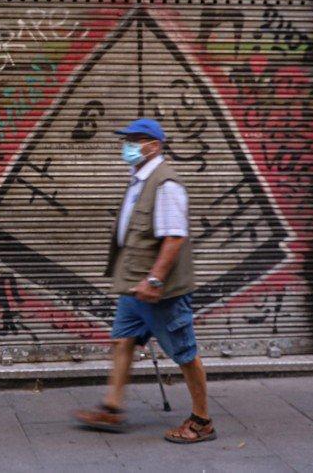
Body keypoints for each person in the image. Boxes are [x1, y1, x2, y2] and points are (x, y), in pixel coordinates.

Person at [73, 118, 215, 444]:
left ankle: (202, 420)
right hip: (134, 286)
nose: (128, 145)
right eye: (128, 139)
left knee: (184, 352)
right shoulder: (139, 178)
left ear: (154, 145)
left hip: (158, 290)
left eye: (136, 139)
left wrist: (154, 280)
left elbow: (174, 238)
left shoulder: (166, 184)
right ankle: (112, 407)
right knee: (123, 339)